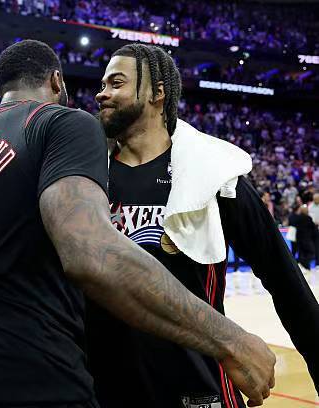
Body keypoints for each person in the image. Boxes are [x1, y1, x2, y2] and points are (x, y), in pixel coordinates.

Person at [0, 40, 275, 408]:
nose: (99, 95)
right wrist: (231, 340)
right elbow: (90, 254)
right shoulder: (62, 122)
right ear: (57, 81)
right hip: (24, 379)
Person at [90, 43, 319, 408]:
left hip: (198, 389)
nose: (101, 93)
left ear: (157, 93)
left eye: (116, 83)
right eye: (103, 84)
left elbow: (286, 283)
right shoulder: (85, 178)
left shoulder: (215, 176)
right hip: (106, 390)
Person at [290, 205, 317, 272]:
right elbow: (313, 229)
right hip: (307, 239)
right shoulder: (308, 218)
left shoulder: (297, 218)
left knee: (302, 253)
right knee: (311, 253)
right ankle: (301, 262)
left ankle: (304, 266)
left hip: (299, 240)